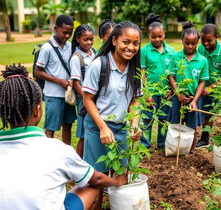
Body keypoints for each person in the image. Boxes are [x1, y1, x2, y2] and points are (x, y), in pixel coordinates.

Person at [0, 64, 127, 210]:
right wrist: (116, 182)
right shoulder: (57, 149)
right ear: (37, 110)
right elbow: (96, 179)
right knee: (90, 187)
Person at [82, 20, 142, 206]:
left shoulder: (135, 69)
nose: (131, 47)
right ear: (114, 40)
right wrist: (103, 128)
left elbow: (135, 101)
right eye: (126, 42)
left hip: (121, 130)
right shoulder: (99, 65)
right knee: (96, 179)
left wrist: (134, 124)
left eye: (135, 43)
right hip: (97, 128)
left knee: (120, 176)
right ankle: (96, 206)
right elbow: (87, 99)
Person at [168, 21, 209, 153]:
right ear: (182, 41)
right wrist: (179, 95)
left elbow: (202, 81)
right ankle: (174, 147)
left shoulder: (202, 60)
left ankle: (191, 148)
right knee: (175, 123)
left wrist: (195, 100)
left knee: (192, 125)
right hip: (178, 97)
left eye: (193, 43)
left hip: (194, 98)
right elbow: (171, 76)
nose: (190, 46)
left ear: (198, 42)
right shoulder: (175, 57)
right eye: (187, 43)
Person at [35, 14, 76, 145]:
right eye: (64, 32)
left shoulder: (70, 46)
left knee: (68, 125)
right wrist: (60, 81)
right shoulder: (47, 48)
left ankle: (67, 152)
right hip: (53, 95)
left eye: (70, 33)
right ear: (55, 29)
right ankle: (49, 156)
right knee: (51, 129)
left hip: (68, 94)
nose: (67, 36)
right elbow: (38, 71)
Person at [140, 13, 175, 149]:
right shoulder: (144, 51)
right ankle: (144, 145)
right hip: (151, 93)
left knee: (163, 119)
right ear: (149, 36)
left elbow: (173, 73)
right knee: (147, 119)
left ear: (164, 34)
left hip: (166, 93)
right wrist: (146, 93)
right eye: (153, 37)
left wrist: (172, 90)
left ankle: (161, 144)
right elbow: (142, 73)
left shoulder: (171, 51)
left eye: (160, 36)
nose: (157, 39)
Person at [196, 23, 221, 149]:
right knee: (207, 113)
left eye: (209, 40)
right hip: (205, 89)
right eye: (203, 40)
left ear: (216, 37)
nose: (205, 43)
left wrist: (212, 87)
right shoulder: (201, 49)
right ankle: (205, 139)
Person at [70, 24, 95, 158]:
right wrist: (87, 99)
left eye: (91, 39)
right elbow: (76, 83)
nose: (89, 42)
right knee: (83, 135)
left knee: (92, 132)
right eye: (86, 39)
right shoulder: (76, 58)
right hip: (84, 101)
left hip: (94, 99)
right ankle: (77, 167)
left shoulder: (94, 53)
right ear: (78, 39)